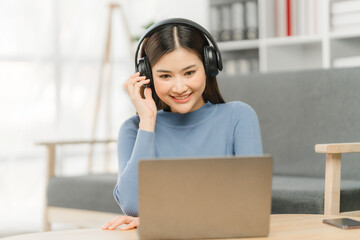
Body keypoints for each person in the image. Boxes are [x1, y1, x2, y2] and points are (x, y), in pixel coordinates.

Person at [102, 18, 263, 231]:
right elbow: (133, 206)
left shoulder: (239, 116)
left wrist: (161, 216)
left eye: (189, 73)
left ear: (209, 67)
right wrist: (148, 121)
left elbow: (251, 201)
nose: (179, 87)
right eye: (165, 76)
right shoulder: (134, 129)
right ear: (147, 76)